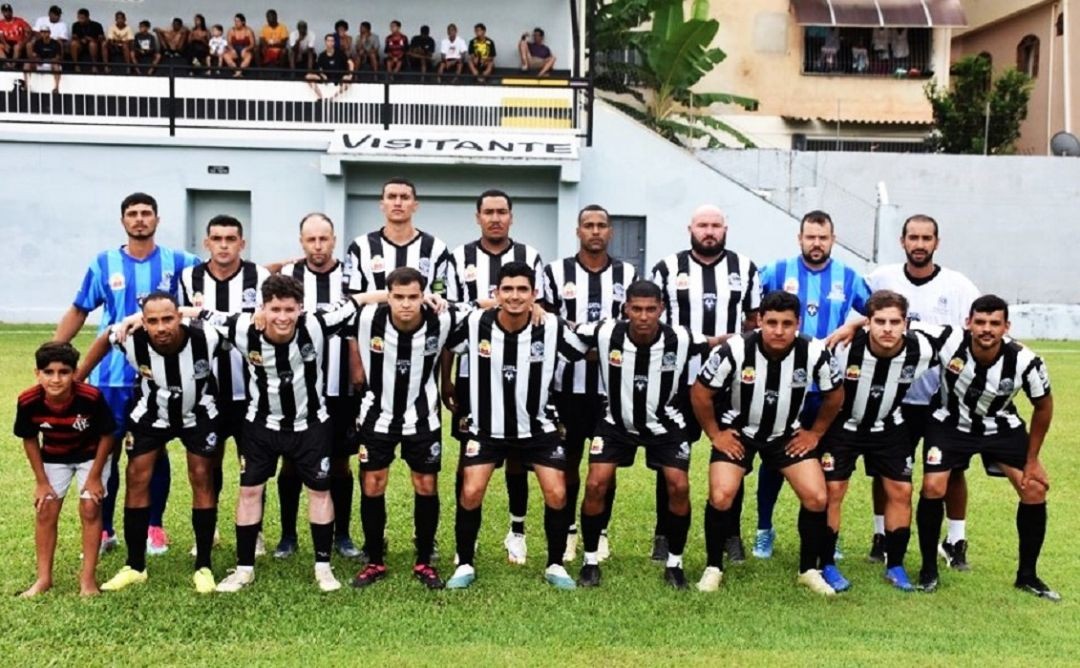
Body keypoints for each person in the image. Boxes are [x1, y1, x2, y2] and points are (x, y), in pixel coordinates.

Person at [197, 275, 376, 593]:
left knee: (320, 492)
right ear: (262, 307)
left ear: (301, 309)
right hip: (261, 425)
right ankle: (243, 569)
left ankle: (323, 567)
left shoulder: (317, 325)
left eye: (289, 309)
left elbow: (358, 300)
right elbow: (196, 313)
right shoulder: (243, 328)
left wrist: (402, 295)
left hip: (310, 425)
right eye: (275, 309)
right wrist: (131, 320)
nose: (282, 317)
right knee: (249, 492)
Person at [54, 192, 199, 558]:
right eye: (132, 214)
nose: (139, 220)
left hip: (160, 377)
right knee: (107, 452)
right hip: (112, 378)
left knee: (155, 450)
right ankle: (105, 529)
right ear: (123, 221)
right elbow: (79, 308)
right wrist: (55, 352)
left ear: (157, 219)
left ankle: (154, 526)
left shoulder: (180, 262)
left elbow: (223, 271)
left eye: (146, 213)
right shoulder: (103, 263)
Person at [692, 290, 844, 595]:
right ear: (759, 320)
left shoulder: (814, 351)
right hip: (739, 432)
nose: (778, 330)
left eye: (786, 323)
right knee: (722, 495)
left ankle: (808, 570)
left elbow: (835, 394)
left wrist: (814, 433)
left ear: (798, 323)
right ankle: (713, 567)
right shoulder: (735, 350)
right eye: (771, 322)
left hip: (785, 434)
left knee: (817, 497)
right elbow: (700, 392)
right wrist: (715, 434)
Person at [443, 262, 583, 591]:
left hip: (538, 428)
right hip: (486, 428)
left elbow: (583, 348)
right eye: (507, 289)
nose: (515, 296)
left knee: (557, 492)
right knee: (471, 490)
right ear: (496, 293)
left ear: (534, 294)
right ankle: (464, 562)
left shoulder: (551, 327)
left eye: (522, 290)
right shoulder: (476, 322)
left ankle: (555, 564)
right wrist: (446, 381)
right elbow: (447, 338)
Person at [574, 281, 718, 589]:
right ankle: (589, 560)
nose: (643, 316)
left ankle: (675, 563)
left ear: (661, 309)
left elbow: (718, 342)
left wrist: (760, 334)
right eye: (636, 309)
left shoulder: (679, 337)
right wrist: (535, 310)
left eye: (651, 309)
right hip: (615, 423)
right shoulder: (604, 332)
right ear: (626, 308)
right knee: (596, 483)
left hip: (666, 425)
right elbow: (568, 329)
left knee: (678, 486)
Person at [79, 293, 223, 594]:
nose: (161, 327)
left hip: (198, 412)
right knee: (137, 477)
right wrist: (78, 379)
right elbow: (106, 338)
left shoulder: (206, 335)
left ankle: (204, 566)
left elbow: (239, 330)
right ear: (143, 322)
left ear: (179, 317)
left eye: (168, 319)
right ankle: (135, 565)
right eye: (153, 321)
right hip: (151, 413)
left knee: (201, 476)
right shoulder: (131, 338)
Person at [915, 295, 1057, 600]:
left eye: (995, 323)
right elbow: (901, 323)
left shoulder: (1025, 361)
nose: (986, 329)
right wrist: (856, 324)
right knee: (932, 486)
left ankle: (1028, 575)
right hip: (949, 423)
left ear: (1006, 326)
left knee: (1034, 489)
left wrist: (1032, 460)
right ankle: (928, 570)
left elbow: (1043, 406)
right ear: (968, 323)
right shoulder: (948, 339)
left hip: (1000, 426)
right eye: (980, 322)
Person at [863, 214, 980, 568]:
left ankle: (955, 540)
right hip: (892, 398)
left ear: (937, 243)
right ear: (902, 242)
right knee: (885, 471)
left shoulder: (958, 286)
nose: (919, 244)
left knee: (951, 471)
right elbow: (860, 316)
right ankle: (882, 535)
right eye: (913, 237)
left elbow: (976, 330)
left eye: (926, 238)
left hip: (940, 400)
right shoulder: (882, 278)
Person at [753, 210, 869, 563]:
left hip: (825, 389)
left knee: (829, 462)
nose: (816, 243)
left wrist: (854, 326)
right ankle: (763, 529)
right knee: (774, 458)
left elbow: (878, 310)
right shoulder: (775, 272)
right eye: (810, 237)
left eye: (823, 237)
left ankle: (829, 534)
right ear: (799, 238)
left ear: (833, 239)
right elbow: (752, 312)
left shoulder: (848, 277)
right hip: (782, 385)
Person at [650, 205, 760, 563]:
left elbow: (753, 324)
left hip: (729, 385)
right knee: (671, 462)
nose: (709, 231)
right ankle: (664, 533)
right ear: (690, 228)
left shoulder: (745, 269)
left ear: (725, 229)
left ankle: (730, 534)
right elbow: (654, 321)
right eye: (702, 225)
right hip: (678, 379)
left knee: (733, 454)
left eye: (715, 225)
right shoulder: (667, 268)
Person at [443, 190, 544, 566]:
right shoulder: (459, 257)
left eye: (502, 212)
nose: (496, 218)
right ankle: (462, 542)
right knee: (468, 457)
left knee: (518, 457)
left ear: (512, 217)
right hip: (474, 374)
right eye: (489, 212)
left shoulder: (530, 256)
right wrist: (447, 378)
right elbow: (452, 316)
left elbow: (540, 309)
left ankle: (516, 532)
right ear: (478, 217)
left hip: (522, 375)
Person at [820, 290, 946, 592]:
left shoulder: (923, 348)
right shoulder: (843, 347)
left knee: (901, 490)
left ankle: (896, 564)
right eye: (879, 321)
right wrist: (852, 325)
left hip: (889, 426)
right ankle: (825, 562)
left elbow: (964, 337)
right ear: (868, 323)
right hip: (844, 426)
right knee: (833, 490)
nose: (887, 328)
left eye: (894, 321)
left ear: (906, 323)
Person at [351, 267, 467, 589]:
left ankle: (424, 560)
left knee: (426, 485)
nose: (405, 304)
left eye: (413, 297)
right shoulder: (367, 317)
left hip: (423, 416)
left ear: (423, 295)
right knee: (373, 484)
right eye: (398, 297)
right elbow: (334, 306)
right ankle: (374, 559)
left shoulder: (442, 318)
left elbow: (490, 308)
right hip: (377, 415)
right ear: (387, 297)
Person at [542, 205, 637, 563]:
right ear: (577, 231)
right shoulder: (555, 272)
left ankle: (600, 532)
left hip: (608, 391)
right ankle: (567, 532)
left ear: (610, 231)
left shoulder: (627, 273)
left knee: (604, 469)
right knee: (567, 464)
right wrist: (586, 347)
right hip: (564, 388)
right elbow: (549, 325)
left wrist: (598, 348)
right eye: (588, 225)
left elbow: (630, 326)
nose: (595, 231)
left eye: (601, 225)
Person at [180, 215, 269, 556]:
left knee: (253, 463)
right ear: (207, 243)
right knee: (208, 462)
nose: (223, 245)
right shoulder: (190, 277)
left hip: (251, 390)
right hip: (206, 390)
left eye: (231, 238)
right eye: (217, 238)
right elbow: (181, 321)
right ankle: (210, 527)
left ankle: (255, 531)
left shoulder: (258, 276)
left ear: (241, 243)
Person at [277, 213, 363, 560]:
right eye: (310, 239)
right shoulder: (287, 275)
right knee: (292, 462)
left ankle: (342, 534)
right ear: (301, 242)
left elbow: (360, 317)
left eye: (323, 239)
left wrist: (357, 362)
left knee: (341, 463)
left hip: (341, 384)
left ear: (334, 240)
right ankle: (287, 536)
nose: (317, 245)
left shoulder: (351, 274)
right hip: (296, 384)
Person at [15, 342, 114, 597]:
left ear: (74, 372)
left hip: (91, 456)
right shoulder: (28, 401)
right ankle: (44, 579)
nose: (56, 379)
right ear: (38, 373)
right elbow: (29, 439)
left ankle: (87, 580)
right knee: (46, 507)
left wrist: (94, 478)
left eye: (64, 372)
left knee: (91, 507)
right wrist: (41, 481)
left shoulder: (90, 397)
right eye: (48, 372)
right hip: (55, 457)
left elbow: (107, 435)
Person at [346, 177, 451, 298]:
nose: (397, 203)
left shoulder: (436, 248)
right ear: (382, 205)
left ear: (415, 206)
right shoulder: (360, 246)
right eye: (391, 197)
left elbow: (441, 297)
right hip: (373, 317)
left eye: (405, 197)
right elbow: (352, 297)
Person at [306, 33, 353, 99]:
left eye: (332, 41)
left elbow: (350, 62)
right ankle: (321, 97)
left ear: (334, 42)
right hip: (326, 77)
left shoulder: (340, 53)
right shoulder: (322, 55)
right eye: (328, 41)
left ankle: (333, 98)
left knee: (347, 80)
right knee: (308, 76)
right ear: (325, 42)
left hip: (339, 77)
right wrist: (322, 74)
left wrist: (350, 74)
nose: (330, 42)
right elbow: (319, 68)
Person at [22, 24, 61, 92]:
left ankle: (56, 88)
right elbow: (34, 55)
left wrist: (52, 61)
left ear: (49, 33)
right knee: (26, 64)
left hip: (51, 64)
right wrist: (36, 59)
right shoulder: (38, 42)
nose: (44, 34)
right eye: (42, 32)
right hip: (40, 64)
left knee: (56, 66)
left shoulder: (55, 43)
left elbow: (58, 57)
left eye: (46, 32)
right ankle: (26, 85)